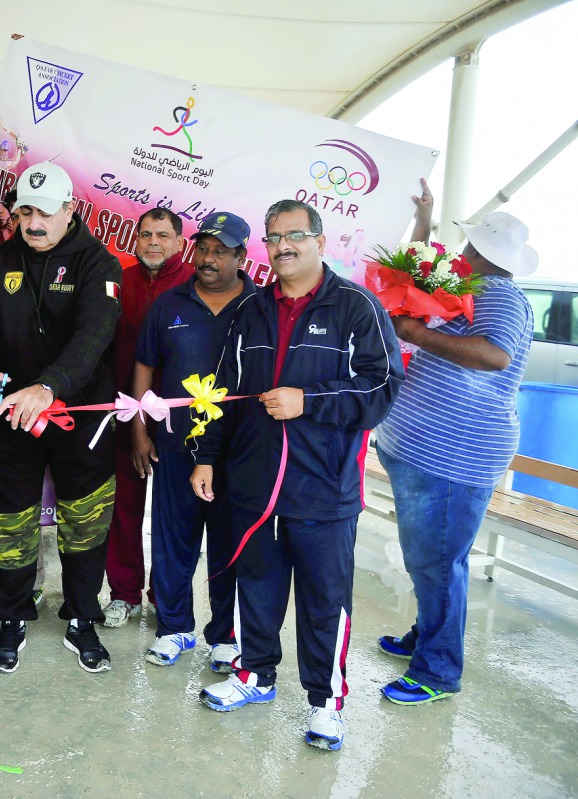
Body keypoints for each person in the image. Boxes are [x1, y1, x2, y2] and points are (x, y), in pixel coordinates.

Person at [189, 199, 402, 752]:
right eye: (274, 237)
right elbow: (222, 393)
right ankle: (256, 676)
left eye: (294, 236)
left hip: (322, 488)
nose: (282, 246)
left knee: (323, 600)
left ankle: (325, 703)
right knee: (255, 587)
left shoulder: (357, 307)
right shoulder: (251, 310)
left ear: (320, 242)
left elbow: (382, 389)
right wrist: (207, 455)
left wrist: (309, 400)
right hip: (254, 484)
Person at [0, 162, 121, 674]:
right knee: (8, 520)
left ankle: (81, 617)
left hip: (81, 414)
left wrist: (49, 387)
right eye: (24, 211)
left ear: (71, 210)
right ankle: (10, 617)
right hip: (10, 415)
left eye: (45, 213)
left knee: (85, 519)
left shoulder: (99, 263)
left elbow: (93, 337)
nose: (33, 223)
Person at [376, 197, 537, 706]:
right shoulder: (469, 288)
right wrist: (423, 219)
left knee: (438, 562)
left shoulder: (502, 297)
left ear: (481, 251)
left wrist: (415, 333)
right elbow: (420, 271)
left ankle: (438, 671)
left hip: (452, 457)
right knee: (429, 558)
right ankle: (428, 635)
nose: (462, 251)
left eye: (469, 244)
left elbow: (495, 354)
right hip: (425, 449)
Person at [138, 212, 254, 670]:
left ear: (242, 257)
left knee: (228, 546)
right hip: (173, 444)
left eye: (220, 251)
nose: (208, 259)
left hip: (238, 452)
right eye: (203, 248)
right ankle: (174, 629)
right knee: (172, 541)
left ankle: (224, 636)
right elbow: (145, 366)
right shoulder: (169, 304)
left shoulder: (260, 306)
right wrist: (138, 428)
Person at [101, 208, 191, 628]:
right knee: (123, 508)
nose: (153, 241)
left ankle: (165, 597)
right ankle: (123, 594)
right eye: (145, 234)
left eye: (162, 235)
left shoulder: (194, 283)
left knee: (173, 514)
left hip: (179, 419)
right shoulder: (121, 281)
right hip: (124, 412)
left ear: (178, 242)